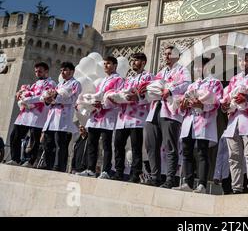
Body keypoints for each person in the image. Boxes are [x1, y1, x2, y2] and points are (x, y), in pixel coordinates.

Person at [142, 46, 191, 188]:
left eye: (169, 54)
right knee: (151, 145)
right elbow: (153, 87)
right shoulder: (160, 72)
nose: (166, 56)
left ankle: (170, 178)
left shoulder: (182, 70)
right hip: (154, 110)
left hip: (170, 111)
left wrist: (170, 90)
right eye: (165, 54)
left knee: (170, 146)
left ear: (177, 55)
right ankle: (155, 176)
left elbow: (186, 85)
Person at [174, 57, 223, 193]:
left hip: (204, 121)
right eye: (195, 67)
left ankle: (202, 184)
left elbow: (217, 103)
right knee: (187, 151)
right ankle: (188, 183)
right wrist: (183, 105)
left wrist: (202, 105)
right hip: (189, 120)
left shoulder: (215, 83)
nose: (197, 69)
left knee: (202, 152)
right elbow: (183, 107)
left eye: (200, 66)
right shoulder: (192, 85)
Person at [221, 48, 248, 194]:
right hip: (233, 122)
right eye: (240, 60)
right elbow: (226, 100)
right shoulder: (234, 79)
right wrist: (225, 105)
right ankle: (236, 188)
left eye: (245, 59)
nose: (242, 62)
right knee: (234, 158)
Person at [78, 56, 123, 179]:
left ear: (115, 65)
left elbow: (117, 97)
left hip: (108, 115)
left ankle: (106, 171)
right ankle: (90, 169)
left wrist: (103, 104)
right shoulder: (103, 80)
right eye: (104, 64)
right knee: (92, 143)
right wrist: (90, 102)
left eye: (108, 64)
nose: (105, 66)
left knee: (106, 144)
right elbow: (97, 95)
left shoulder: (118, 79)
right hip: (96, 115)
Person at [113, 53, 153, 183]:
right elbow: (122, 93)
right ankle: (118, 172)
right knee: (118, 144)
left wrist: (139, 97)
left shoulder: (148, 77)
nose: (133, 63)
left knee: (136, 147)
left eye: (136, 60)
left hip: (138, 118)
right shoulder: (128, 79)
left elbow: (150, 95)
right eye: (132, 61)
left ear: (143, 62)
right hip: (123, 117)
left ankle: (135, 174)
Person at [7, 62, 56, 167]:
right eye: (36, 71)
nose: (37, 73)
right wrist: (21, 95)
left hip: (38, 115)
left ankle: (30, 161)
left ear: (46, 72)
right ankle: (15, 159)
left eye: (40, 71)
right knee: (14, 135)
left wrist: (28, 99)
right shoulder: (34, 84)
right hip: (25, 115)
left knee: (34, 139)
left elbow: (43, 97)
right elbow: (29, 94)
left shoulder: (51, 83)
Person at [41, 62, 82, 172]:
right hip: (52, 116)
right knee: (48, 143)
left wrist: (55, 97)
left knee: (60, 144)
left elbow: (73, 99)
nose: (62, 72)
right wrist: (48, 99)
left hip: (63, 118)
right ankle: (47, 164)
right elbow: (52, 98)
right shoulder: (59, 85)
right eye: (61, 70)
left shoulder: (75, 83)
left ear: (72, 71)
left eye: (65, 70)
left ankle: (59, 166)